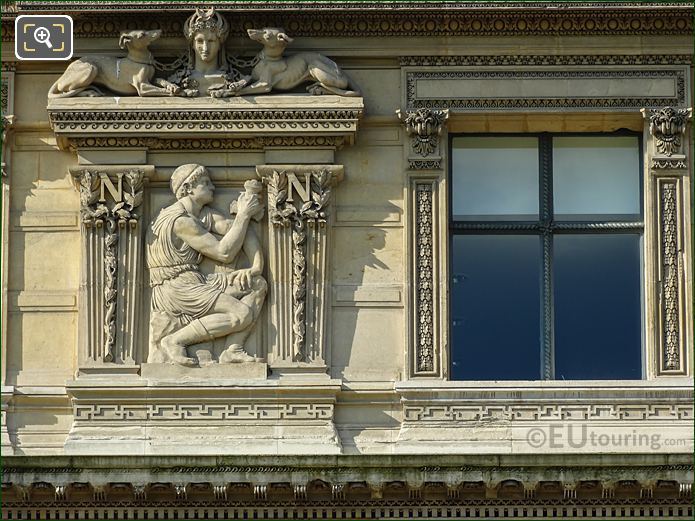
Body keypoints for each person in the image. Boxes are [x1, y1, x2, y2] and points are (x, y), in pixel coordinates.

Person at [146, 163, 266, 366]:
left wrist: (255, 267)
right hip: (176, 288)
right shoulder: (179, 221)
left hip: (196, 280)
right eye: (205, 182)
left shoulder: (202, 214)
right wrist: (244, 215)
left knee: (257, 284)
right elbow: (224, 253)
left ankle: (232, 349)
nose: (213, 187)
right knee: (241, 314)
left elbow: (235, 229)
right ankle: (174, 340)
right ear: (188, 188)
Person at [167, 8, 244, 97]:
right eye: (199, 41)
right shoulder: (176, 82)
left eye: (211, 41)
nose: (205, 48)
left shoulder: (237, 81)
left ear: (220, 45)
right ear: (192, 45)